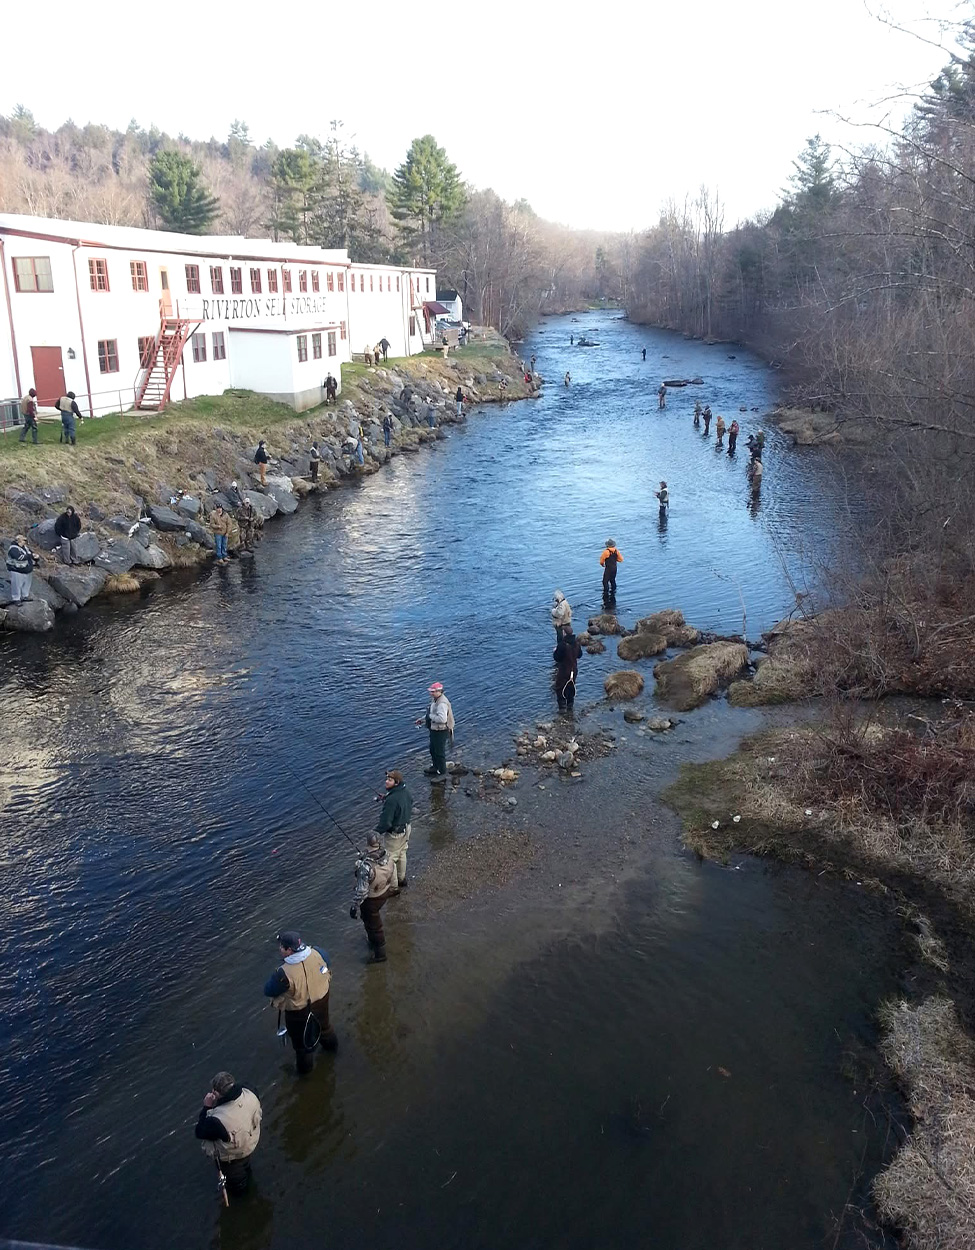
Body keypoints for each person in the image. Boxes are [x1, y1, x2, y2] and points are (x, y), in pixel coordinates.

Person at [263, 930, 338, 1073]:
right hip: (322, 1002)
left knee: (302, 1046)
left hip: (299, 1013)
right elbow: (328, 962)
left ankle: (305, 1077)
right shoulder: (318, 952)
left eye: (281, 947)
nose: (280, 949)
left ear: (289, 950)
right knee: (325, 1029)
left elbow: (268, 990)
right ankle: (333, 1053)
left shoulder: (282, 974)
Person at [195, 1071, 262, 1196]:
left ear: (216, 1093)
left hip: (232, 1161)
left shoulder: (216, 1120)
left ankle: (242, 1203)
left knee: (238, 1188)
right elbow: (242, 1085)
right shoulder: (251, 1092)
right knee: (247, 1170)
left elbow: (200, 1131)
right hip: (250, 1144)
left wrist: (207, 1107)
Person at [351, 835, 395, 962]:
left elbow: (362, 891)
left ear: (367, 843)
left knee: (375, 926)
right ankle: (372, 941)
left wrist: (354, 906)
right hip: (384, 891)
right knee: (369, 920)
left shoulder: (365, 867)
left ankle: (380, 955)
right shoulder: (388, 855)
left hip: (372, 899)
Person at [377, 769, 413, 892]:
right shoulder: (405, 791)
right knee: (402, 853)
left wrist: (375, 833)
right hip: (407, 828)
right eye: (386, 779)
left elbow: (386, 822)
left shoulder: (392, 800)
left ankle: (394, 887)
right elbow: (404, 802)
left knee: (390, 859)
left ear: (396, 782)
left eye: (389, 780)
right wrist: (386, 797)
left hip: (395, 835)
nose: (386, 782)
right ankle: (402, 879)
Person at [416, 681, 454, 779]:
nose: (431, 693)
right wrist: (423, 719)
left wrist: (430, 716)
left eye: (433, 692)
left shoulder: (442, 703)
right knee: (432, 749)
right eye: (431, 691)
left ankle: (442, 773)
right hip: (434, 730)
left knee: (439, 752)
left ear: (439, 691)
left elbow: (442, 719)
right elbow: (431, 713)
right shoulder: (435, 700)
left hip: (441, 731)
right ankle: (435, 767)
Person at [553, 628, 582, 711]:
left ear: (564, 633)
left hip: (564, 671)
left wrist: (555, 651)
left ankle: (562, 709)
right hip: (574, 670)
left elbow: (557, 658)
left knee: (559, 688)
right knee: (570, 687)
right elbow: (580, 655)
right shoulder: (577, 643)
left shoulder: (562, 645)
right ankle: (570, 707)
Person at [6, 534, 37, 602]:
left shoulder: (25, 547)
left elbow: (30, 553)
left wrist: (35, 557)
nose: (25, 541)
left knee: (26, 584)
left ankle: (25, 596)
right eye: (24, 540)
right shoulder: (13, 549)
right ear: (19, 541)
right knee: (16, 585)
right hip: (16, 570)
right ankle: (16, 599)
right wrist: (31, 556)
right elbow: (19, 557)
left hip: (27, 570)